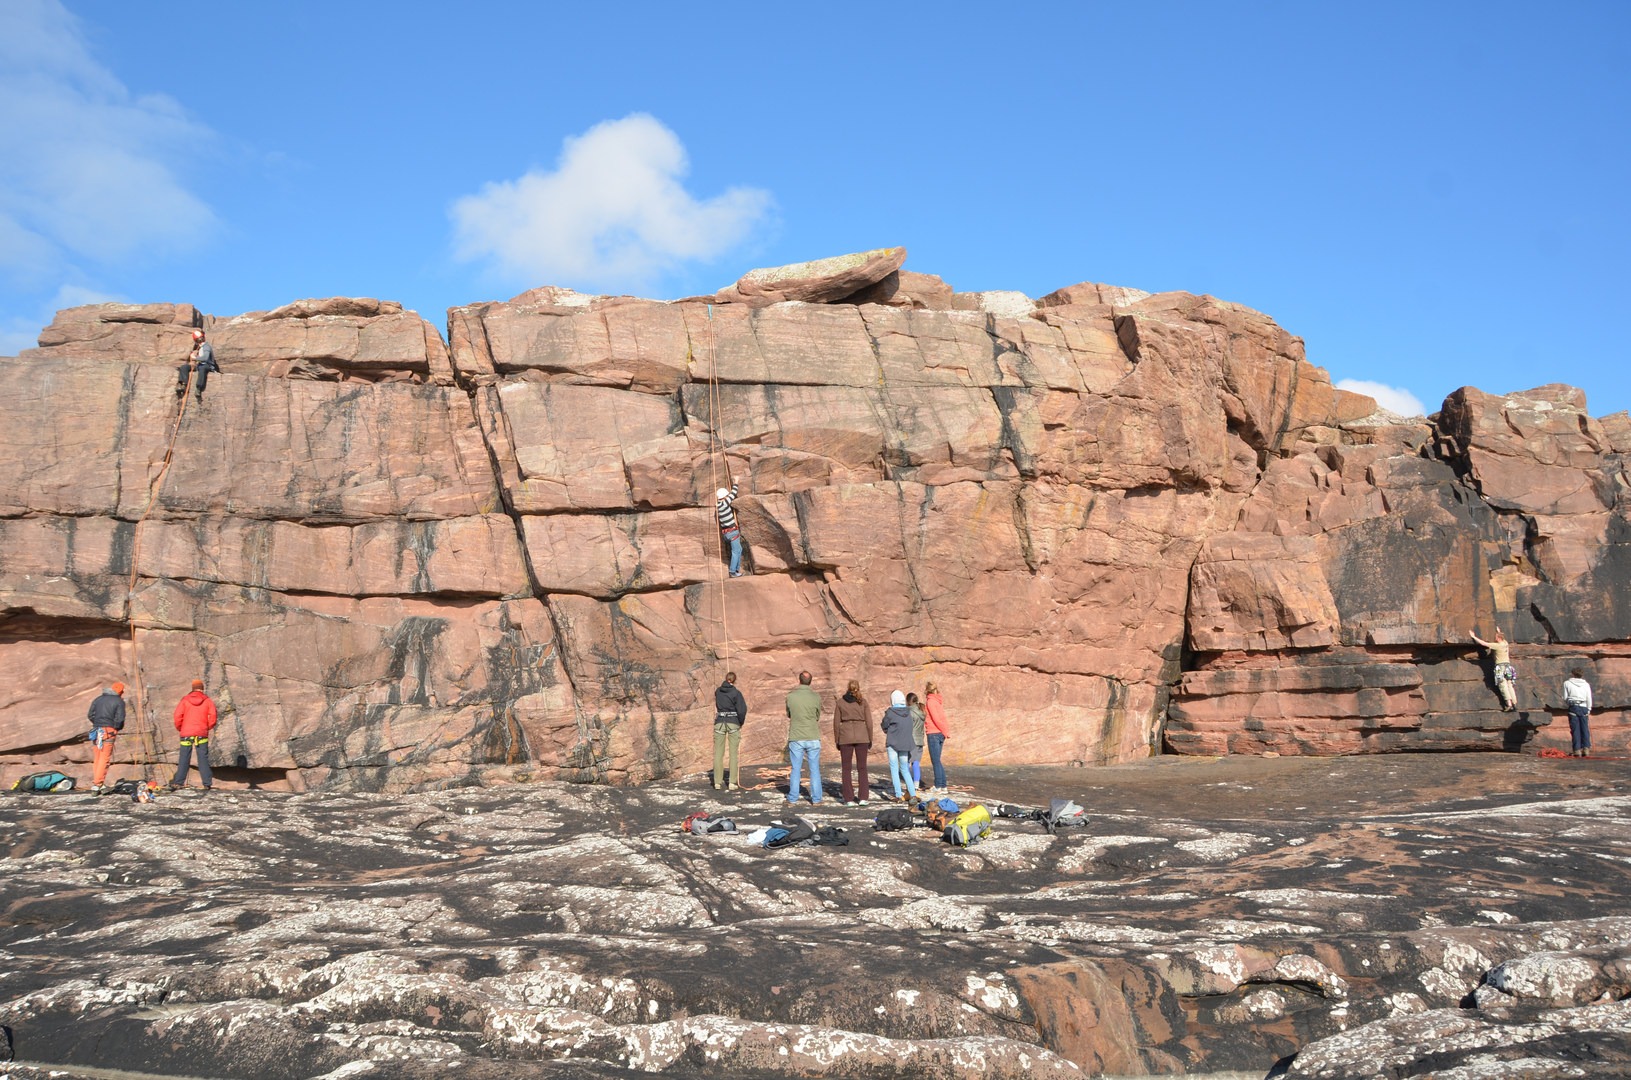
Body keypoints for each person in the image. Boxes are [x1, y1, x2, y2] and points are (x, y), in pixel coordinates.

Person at [170, 679, 218, 791]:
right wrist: (206, 727)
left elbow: (177, 716)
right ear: (202, 689)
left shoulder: (185, 700)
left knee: (184, 757)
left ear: (192, 688)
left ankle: (178, 782)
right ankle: (207, 783)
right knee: (203, 758)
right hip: (201, 733)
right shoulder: (207, 701)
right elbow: (213, 716)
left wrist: (181, 728)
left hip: (186, 733)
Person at [784, 670, 823, 804]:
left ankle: (793, 798)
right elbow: (817, 716)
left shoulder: (790, 696)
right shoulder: (816, 697)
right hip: (812, 735)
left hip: (796, 735)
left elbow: (789, 714)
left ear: (799, 680)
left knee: (796, 768)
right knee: (814, 769)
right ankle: (816, 799)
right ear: (810, 682)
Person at [832, 680, 872, 806]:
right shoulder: (863, 702)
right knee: (862, 768)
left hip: (845, 736)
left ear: (847, 688)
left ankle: (849, 798)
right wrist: (870, 738)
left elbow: (836, 723)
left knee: (846, 768)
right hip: (862, 735)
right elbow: (869, 723)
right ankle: (863, 797)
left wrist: (837, 739)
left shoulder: (840, 702)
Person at [87, 681, 127, 793]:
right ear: (120, 692)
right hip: (109, 731)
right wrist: (116, 728)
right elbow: (120, 719)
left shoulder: (98, 699)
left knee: (98, 757)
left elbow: (90, 715)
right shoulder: (119, 701)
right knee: (104, 758)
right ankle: (98, 784)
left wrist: (97, 723)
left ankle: (97, 782)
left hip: (96, 730)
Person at [880, 690, 917, 801]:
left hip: (892, 743)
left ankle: (898, 795)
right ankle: (913, 794)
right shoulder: (908, 712)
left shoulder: (890, 712)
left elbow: (884, 724)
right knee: (905, 769)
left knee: (894, 769)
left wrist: (887, 731)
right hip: (905, 744)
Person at [713, 671, 747, 789]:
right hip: (733, 723)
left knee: (718, 753)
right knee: (733, 754)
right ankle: (732, 782)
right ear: (734, 680)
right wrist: (740, 722)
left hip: (720, 723)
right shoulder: (736, 693)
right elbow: (742, 710)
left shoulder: (718, 691)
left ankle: (717, 782)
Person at [1470, 630, 1517, 711]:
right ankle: (1514, 703)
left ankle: (1509, 704)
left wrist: (1474, 637)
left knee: (1502, 685)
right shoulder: (1505, 643)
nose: (1495, 639)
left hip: (1499, 667)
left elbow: (1484, 644)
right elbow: (1502, 637)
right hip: (1508, 667)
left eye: (1496, 637)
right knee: (1509, 685)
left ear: (1498, 638)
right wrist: (1498, 631)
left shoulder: (1496, 645)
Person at [175, 329, 220, 404]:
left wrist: (195, 358)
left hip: (208, 365)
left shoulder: (206, 346)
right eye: (198, 339)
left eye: (200, 339)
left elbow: (205, 358)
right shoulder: (200, 347)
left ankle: (199, 388)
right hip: (200, 365)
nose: (200, 341)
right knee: (184, 367)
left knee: (202, 368)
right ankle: (183, 384)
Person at [923, 680, 951, 791]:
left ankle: (938, 786)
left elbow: (936, 719)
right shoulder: (937, 701)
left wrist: (945, 731)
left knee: (935, 761)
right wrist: (945, 731)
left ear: (927, 690)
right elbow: (942, 718)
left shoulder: (930, 702)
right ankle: (943, 786)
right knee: (937, 761)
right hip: (939, 734)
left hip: (934, 733)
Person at [1563, 668, 1594, 758]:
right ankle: (1586, 749)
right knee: (1585, 729)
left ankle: (1577, 750)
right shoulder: (1586, 684)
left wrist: (1569, 701)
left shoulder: (1567, 683)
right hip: (1584, 707)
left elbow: (1565, 697)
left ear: (1573, 674)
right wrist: (1589, 709)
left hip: (1573, 707)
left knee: (1575, 729)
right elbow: (1589, 697)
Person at [716, 483, 744, 578]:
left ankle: (736, 569)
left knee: (739, 549)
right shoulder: (724, 504)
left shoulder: (718, 506)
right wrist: (736, 483)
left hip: (727, 533)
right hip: (732, 532)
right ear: (724, 496)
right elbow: (733, 494)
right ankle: (732, 571)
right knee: (736, 551)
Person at [906, 692, 926, 789]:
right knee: (916, 763)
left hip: (912, 740)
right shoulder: (921, 711)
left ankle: (909, 782)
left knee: (906, 762)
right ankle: (916, 783)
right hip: (920, 740)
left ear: (908, 701)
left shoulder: (909, 712)